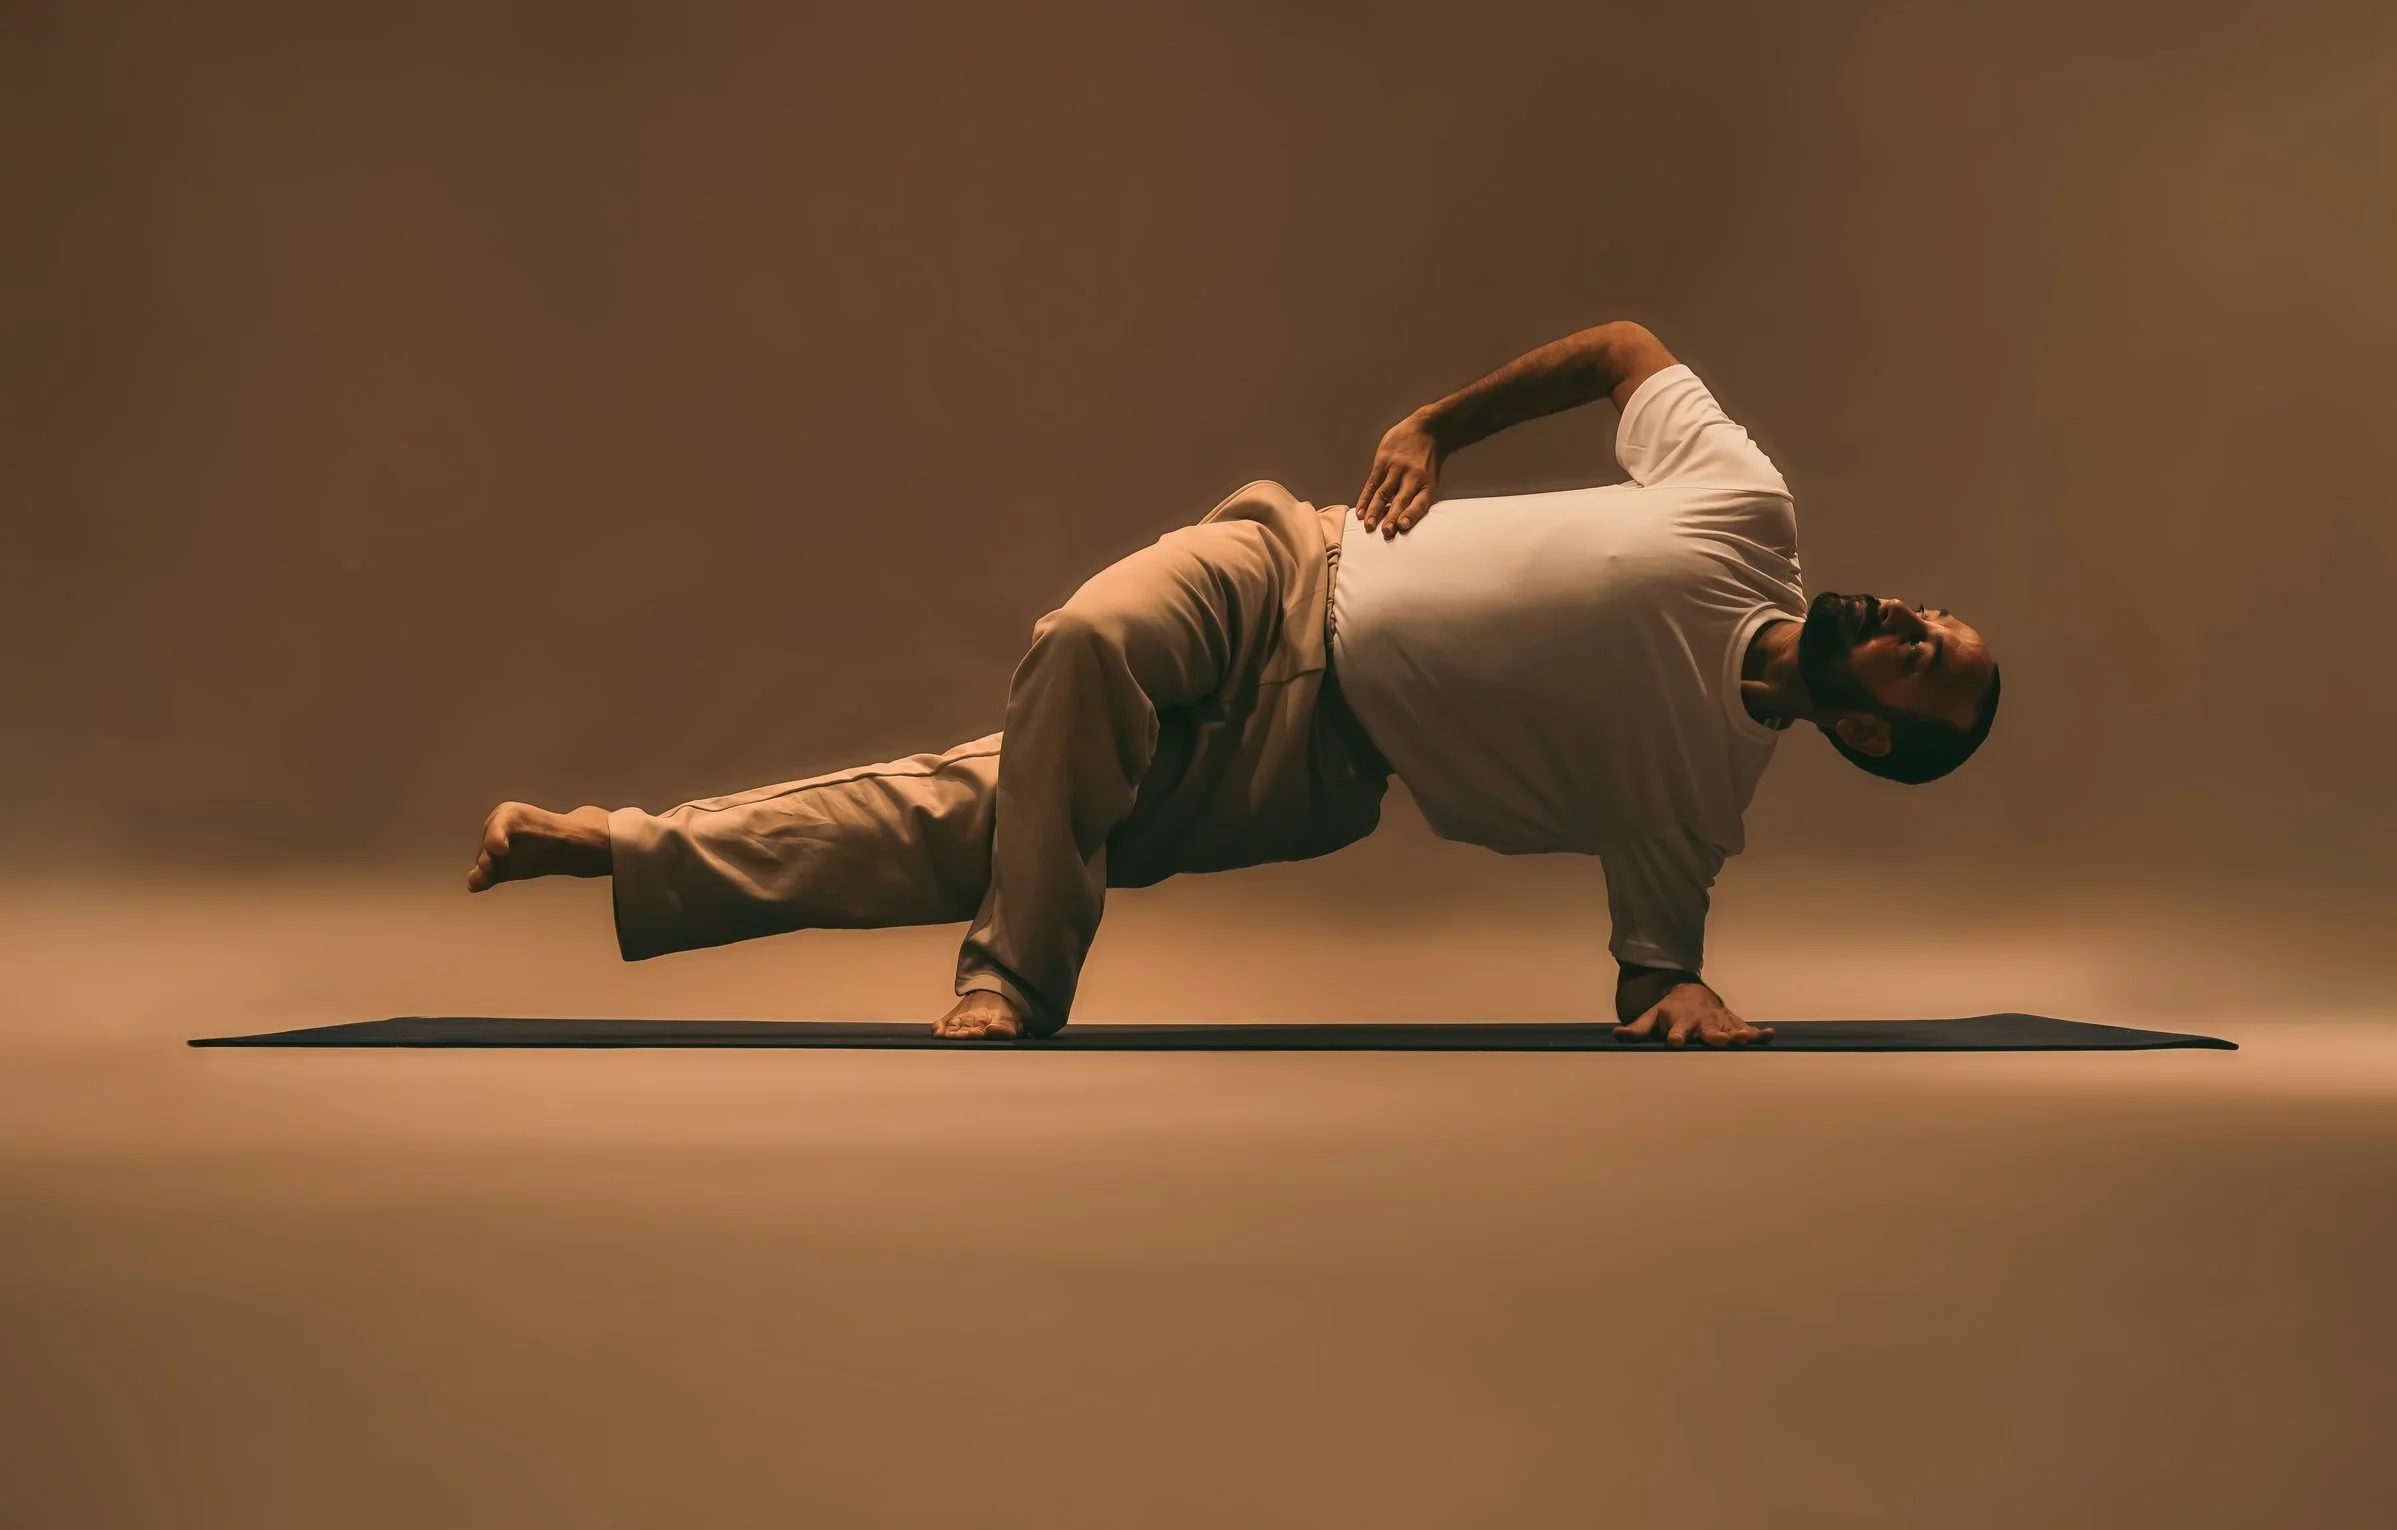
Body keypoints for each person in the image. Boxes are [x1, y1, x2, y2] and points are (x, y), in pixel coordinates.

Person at [467, 321, 2000, 1046]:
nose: (1918, 618)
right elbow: (1620, 350)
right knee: (1085, 640)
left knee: (968, 821)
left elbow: (1653, 962)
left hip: (1318, 762)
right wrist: (1434, 422)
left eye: (1930, 661)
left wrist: (1675, 992)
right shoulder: (1751, 508)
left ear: (1867, 730)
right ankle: (1016, 981)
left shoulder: (1700, 794)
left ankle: (617, 846)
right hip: (1290, 565)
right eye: (1935, 615)